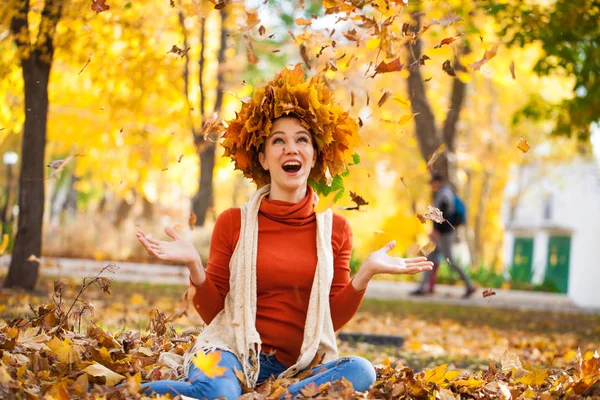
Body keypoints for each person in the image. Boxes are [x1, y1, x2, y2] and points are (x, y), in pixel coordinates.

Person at [135, 65, 433, 400]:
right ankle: (115, 393)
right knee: (219, 393)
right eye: (278, 141)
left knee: (360, 371)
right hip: (228, 353)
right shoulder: (233, 222)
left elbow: (327, 322)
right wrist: (194, 267)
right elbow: (214, 313)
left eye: (301, 140)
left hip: (296, 369)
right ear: (263, 158)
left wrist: (365, 275)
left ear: (314, 155)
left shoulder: (336, 230)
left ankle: (272, 396)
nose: (291, 148)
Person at [410, 173, 475, 298]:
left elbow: (443, 214)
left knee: (451, 261)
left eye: (433, 183)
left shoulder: (444, 194)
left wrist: (437, 230)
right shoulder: (445, 193)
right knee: (429, 258)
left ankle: (469, 285)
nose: (432, 186)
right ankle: (423, 287)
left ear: (438, 182)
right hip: (442, 234)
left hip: (444, 235)